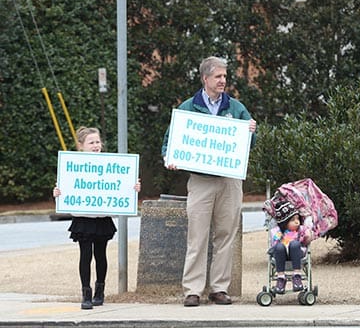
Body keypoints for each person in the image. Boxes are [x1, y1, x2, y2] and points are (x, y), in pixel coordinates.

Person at [161, 56, 256, 307]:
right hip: (201, 181)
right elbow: (169, 142)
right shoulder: (187, 108)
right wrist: (169, 158)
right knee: (197, 236)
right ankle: (192, 290)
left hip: (229, 181)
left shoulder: (236, 108)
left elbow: (247, 146)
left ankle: (219, 288)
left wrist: (250, 133)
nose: (223, 80)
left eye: (225, 76)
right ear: (205, 79)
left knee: (226, 235)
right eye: (218, 76)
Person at [53, 126, 141, 310]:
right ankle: (86, 292)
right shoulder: (72, 165)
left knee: (100, 255)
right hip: (83, 218)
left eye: (97, 142)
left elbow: (121, 185)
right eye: (91, 142)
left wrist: (132, 188)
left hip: (101, 218)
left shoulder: (112, 164)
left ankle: (99, 291)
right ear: (81, 146)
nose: (95, 145)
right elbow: (66, 187)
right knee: (85, 256)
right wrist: (58, 192)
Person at [270, 200, 312, 294]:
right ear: (285, 223)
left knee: (295, 244)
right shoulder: (278, 231)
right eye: (293, 220)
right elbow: (275, 243)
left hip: (297, 253)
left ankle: (297, 275)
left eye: (297, 219)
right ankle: (281, 277)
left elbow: (307, 240)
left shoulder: (301, 230)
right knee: (279, 247)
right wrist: (279, 238)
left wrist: (307, 236)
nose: (297, 222)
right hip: (282, 255)